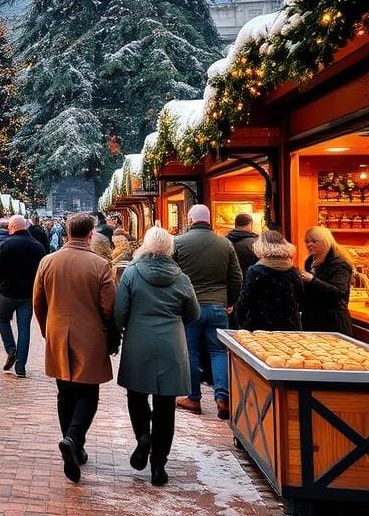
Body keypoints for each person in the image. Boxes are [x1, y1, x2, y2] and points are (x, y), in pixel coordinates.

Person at [33, 212, 118, 484]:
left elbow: (38, 301)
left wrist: (48, 328)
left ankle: (71, 442)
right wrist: (111, 336)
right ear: (91, 234)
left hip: (58, 333)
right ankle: (74, 438)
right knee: (88, 392)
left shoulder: (48, 261)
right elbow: (109, 307)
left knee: (64, 391)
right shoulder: (100, 264)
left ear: (67, 232)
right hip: (90, 335)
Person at [115, 226, 199, 487]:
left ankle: (143, 437)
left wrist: (123, 329)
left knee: (136, 395)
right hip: (171, 345)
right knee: (165, 406)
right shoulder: (181, 278)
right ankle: (159, 466)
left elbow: (119, 312)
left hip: (139, 342)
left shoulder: (132, 273)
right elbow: (193, 313)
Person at [172, 204, 242, 420]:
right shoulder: (225, 244)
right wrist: (230, 301)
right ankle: (223, 397)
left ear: (190, 220)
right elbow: (237, 277)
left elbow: (172, 274)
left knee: (190, 352)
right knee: (219, 351)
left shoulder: (179, 243)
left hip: (190, 307)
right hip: (218, 305)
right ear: (209, 220)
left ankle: (193, 398)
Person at [0, 215, 45, 378]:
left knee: (3, 320)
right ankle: (21, 366)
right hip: (28, 294)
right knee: (24, 328)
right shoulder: (38, 246)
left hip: (7, 292)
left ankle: (10, 349)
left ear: (12, 227)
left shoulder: (6, 244)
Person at [235, 230, 303, 332]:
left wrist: (240, 322)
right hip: (289, 327)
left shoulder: (256, 271)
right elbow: (300, 298)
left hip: (260, 326)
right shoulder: (293, 271)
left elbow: (246, 301)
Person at [300, 226, 354, 335]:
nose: (309, 244)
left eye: (314, 241)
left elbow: (338, 292)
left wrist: (312, 280)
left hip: (332, 321)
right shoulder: (310, 261)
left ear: (325, 241)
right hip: (313, 319)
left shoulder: (339, 264)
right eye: (307, 241)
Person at [226, 213, 258, 279]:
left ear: (235, 224)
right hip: (250, 281)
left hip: (231, 281)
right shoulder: (256, 243)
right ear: (250, 224)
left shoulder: (225, 242)